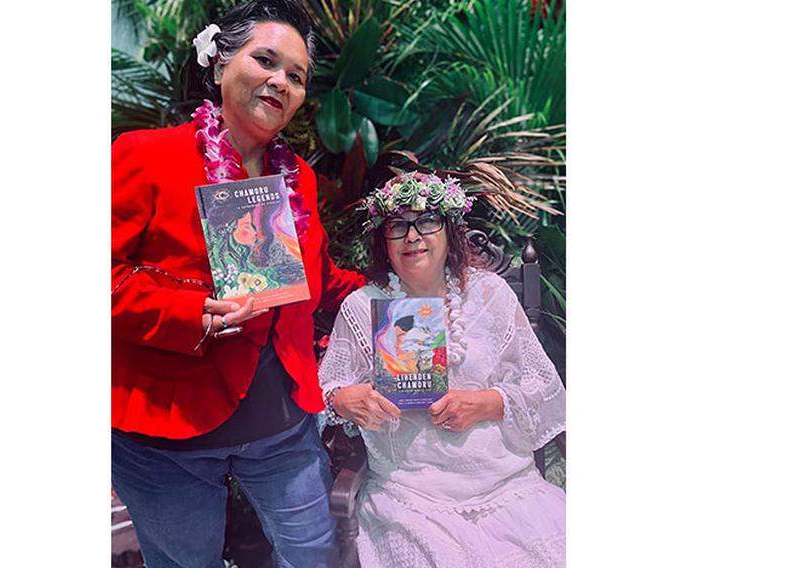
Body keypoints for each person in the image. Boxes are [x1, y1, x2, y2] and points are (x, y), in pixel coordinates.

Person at [111, 1, 364, 566]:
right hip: (166, 432)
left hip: (282, 423)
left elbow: (317, 281)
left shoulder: (295, 175)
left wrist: (401, 285)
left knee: (313, 554)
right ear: (220, 62)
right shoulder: (144, 156)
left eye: (296, 77)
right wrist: (189, 312)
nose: (281, 82)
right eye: (266, 61)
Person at [319, 172, 566, 567]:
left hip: (506, 487)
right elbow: (321, 395)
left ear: (449, 230)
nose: (413, 236)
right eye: (398, 226)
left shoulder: (490, 295)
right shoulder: (362, 308)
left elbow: (544, 386)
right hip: (410, 500)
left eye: (427, 221)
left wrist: (489, 403)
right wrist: (343, 400)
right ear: (383, 240)